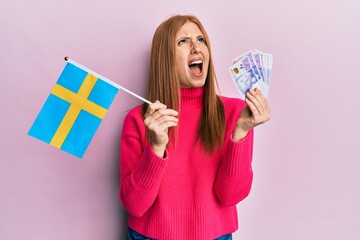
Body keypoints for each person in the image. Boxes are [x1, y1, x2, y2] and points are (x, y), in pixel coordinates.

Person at [120, 15, 270, 240]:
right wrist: (157, 146)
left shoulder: (237, 114)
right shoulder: (140, 119)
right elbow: (135, 205)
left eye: (201, 40)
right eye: (183, 42)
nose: (196, 48)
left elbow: (230, 196)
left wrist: (241, 133)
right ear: (166, 58)